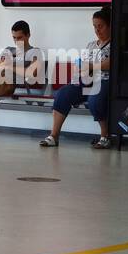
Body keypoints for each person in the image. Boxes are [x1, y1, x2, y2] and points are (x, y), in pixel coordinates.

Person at [40, 8, 111, 149]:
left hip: (104, 80)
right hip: (85, 80)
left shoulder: (114, 45)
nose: (97, 30)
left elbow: (109, 64)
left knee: (94, 99)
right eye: (95, 26)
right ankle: (54, 136)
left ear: (110, 26)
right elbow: (81, 63)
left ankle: (105, 136)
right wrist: (80, 69)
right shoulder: (91, 45)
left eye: (101, 26)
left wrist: (90, 66)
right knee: (62, 94)